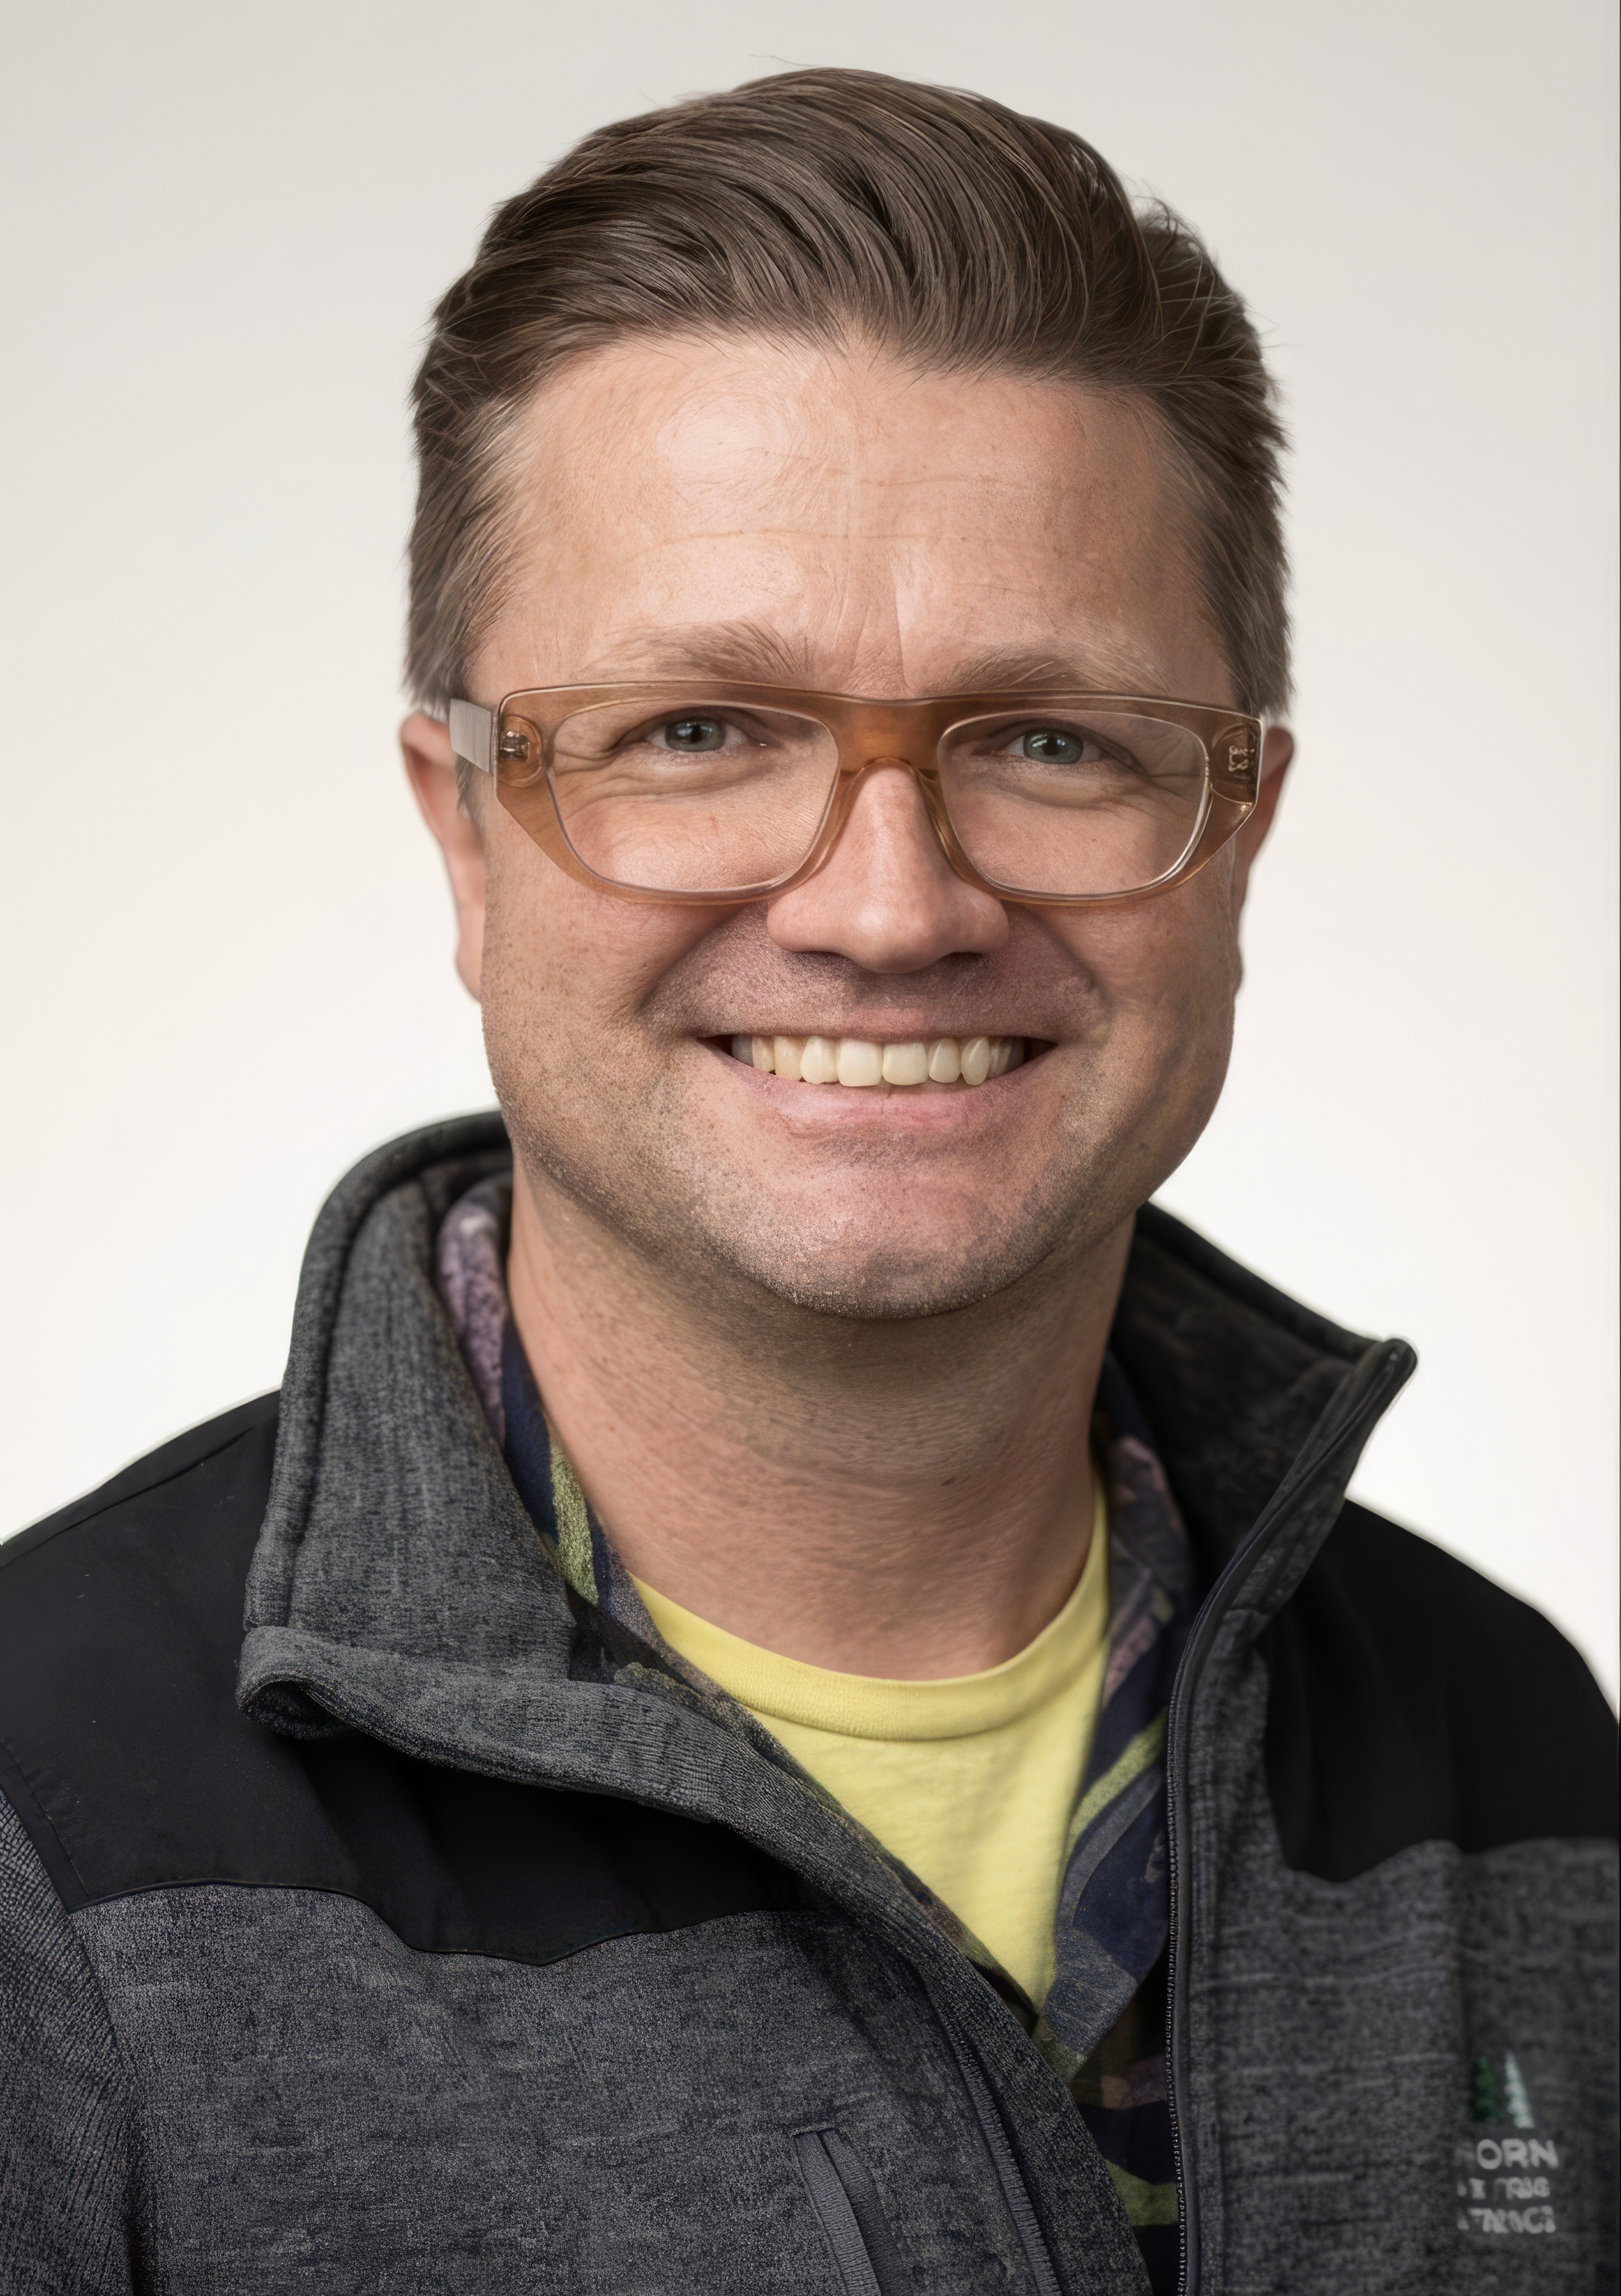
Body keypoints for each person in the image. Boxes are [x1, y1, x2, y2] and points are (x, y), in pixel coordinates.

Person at [1, 66, 1613, 2296]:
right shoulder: (40, 1836)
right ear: (460, 835)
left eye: (1048, 737)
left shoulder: (1523, 1763)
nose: (887, 904)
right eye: (698, 730)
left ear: (1239, 832)